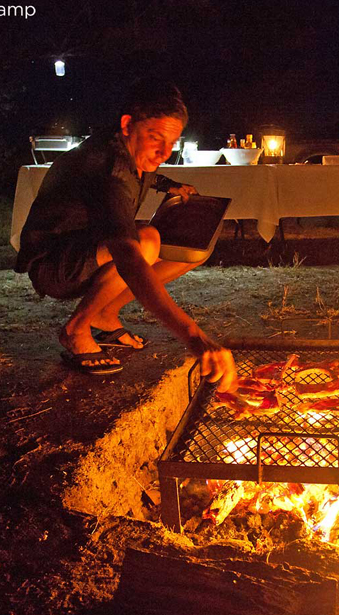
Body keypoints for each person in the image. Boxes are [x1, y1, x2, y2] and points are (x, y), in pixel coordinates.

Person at [15, 79, 236, 390]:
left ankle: (105, 314)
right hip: (55, 265)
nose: (164, 151)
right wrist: (195, 337)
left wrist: (168, 185)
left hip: (82, 253)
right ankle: (76, 329)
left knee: (189, 248)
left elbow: (146, 172)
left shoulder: (122, 148)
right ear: (128, 124)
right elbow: (128, 256)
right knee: (147, 242)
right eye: (156, 138)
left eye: (172, 143)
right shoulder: (107, 168)